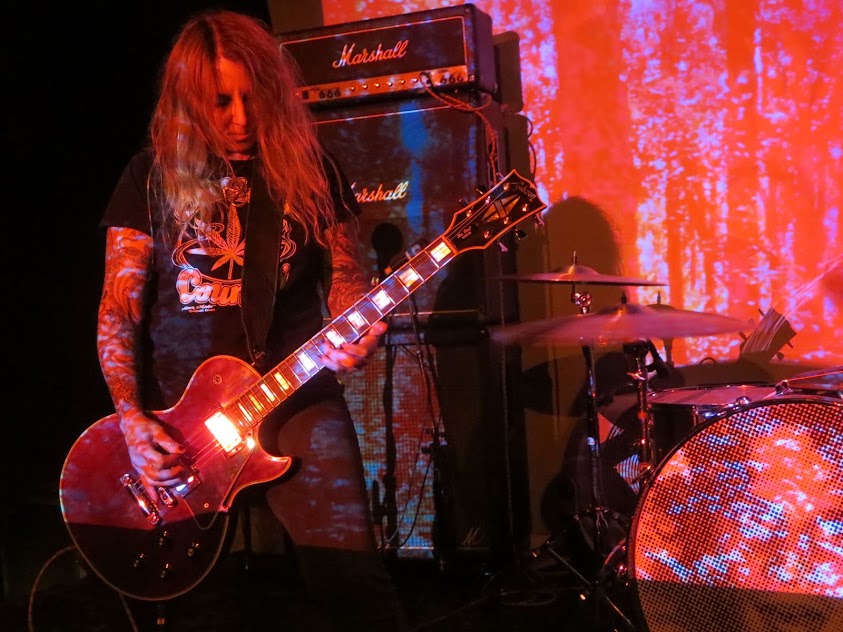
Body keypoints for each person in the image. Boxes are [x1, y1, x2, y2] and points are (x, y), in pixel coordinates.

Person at [96, 9, 407, 631]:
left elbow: (347, 276)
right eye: (221, 102)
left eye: (252, 98)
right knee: (193, 606)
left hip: (295, 396)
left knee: (355, 587)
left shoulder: (312, 170)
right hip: (180, 418)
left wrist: (358, 328)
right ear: (188, 102)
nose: (241, 118)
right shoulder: (149, 178)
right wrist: (131, 418)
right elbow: (119, 309)